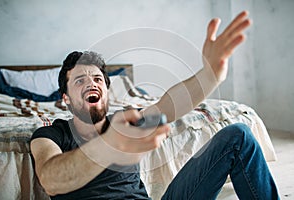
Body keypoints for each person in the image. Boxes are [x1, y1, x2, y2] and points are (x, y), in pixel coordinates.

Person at [30, 11, 280, 199]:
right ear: (65, 97)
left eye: (97, 79)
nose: (91, 84)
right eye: (80, 80)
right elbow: (51, 180)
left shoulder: (127, 121)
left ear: (107, 91)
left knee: (238, 136)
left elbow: (168, 106)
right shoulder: (51, 134)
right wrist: (110, 144)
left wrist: (209, 75)